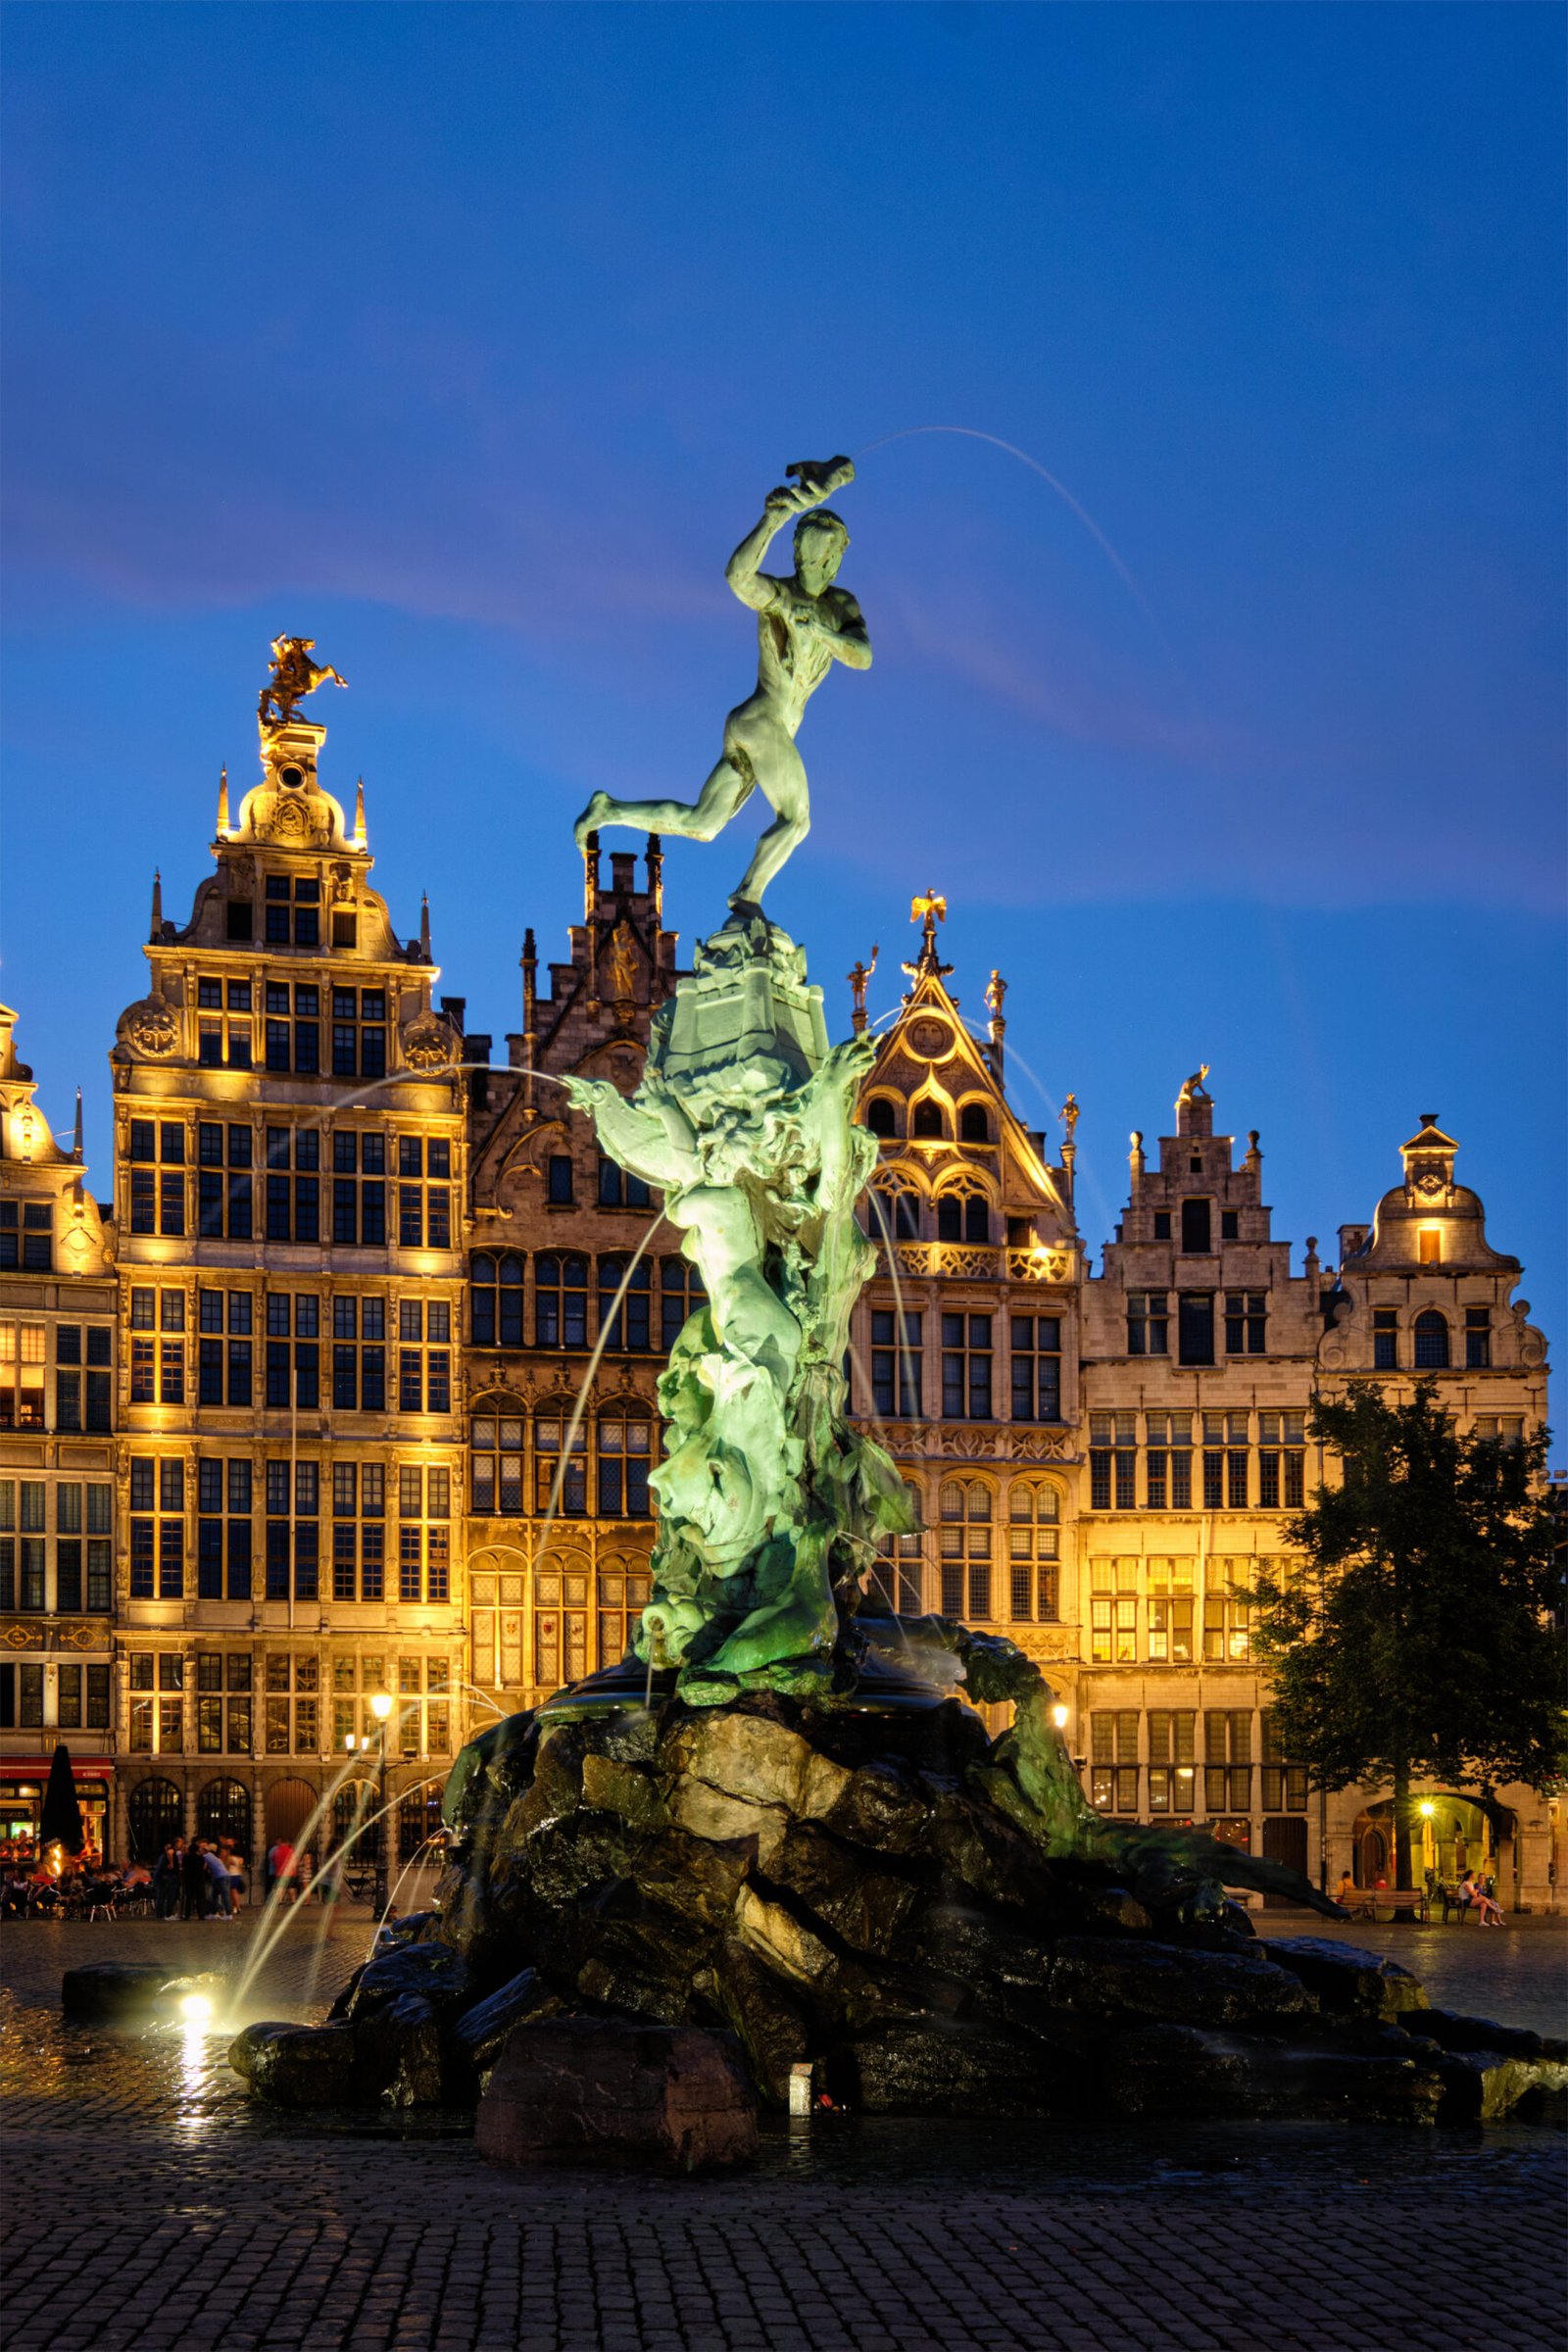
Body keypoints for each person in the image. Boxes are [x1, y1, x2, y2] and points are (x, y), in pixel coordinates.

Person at [573, 459, 870, 917]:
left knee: (703, 823)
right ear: (809, 555)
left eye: (834, 556)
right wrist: (772, 519)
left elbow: (862, 656)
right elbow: (738, 578)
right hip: (762, 721)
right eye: (825, 555)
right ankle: (747, 897)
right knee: (797, 820)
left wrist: (824, 634)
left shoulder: (840, 605)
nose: (830, 563)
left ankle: (608, 810)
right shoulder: (781, 596)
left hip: (758, 728)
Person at [181, 1838, 211, 1922]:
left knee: (189, 1898)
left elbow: (183, 1867)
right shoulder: (200, 1858)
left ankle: (187, 1915)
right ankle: (201, 1915)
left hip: (189, 1879)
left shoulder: (186, 1858)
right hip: (199, 1879)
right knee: (200, 1898)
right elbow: (203, 1867)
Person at [152, 1840, 182, 1921]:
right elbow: (170, 1853)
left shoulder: (162, 1856)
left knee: (161, 1896)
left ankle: (160, 1914)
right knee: (170, 1896)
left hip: (162, 1877)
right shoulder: (171, 1850)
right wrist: (172, 1863)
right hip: (169, 1876)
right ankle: (168, 1914)